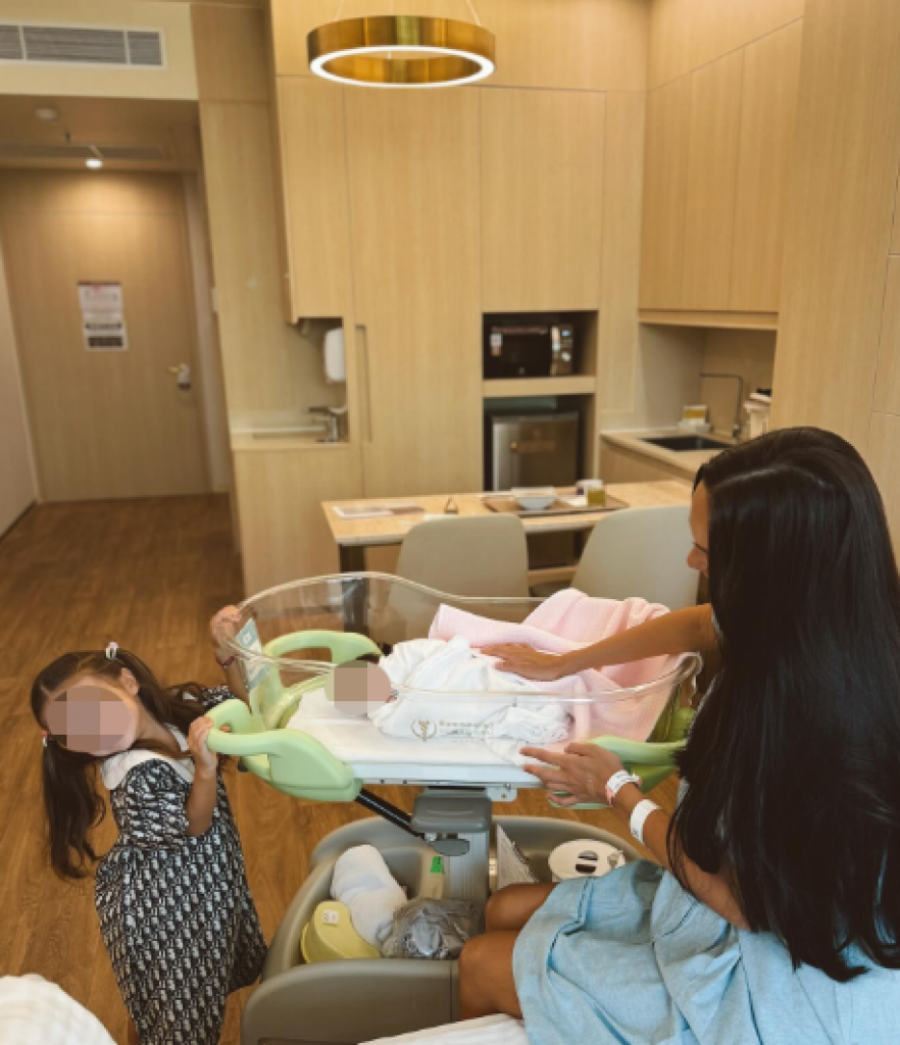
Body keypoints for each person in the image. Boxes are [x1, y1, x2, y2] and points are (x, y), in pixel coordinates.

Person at [461, 427, 900, 1044]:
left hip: (779, 975)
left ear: (770, 569)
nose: (692, 563)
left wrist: (619, 793)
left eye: (707, 551)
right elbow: (699, 626)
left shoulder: (820, 720)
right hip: (737, 899)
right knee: (503, 908)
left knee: (479, 962)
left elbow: (740, 903)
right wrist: (565, 663)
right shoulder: (814, 619)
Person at [30, 607, 266, 1045]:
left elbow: (242, 708)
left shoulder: (175, 710)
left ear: (127, 682)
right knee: (178, 1014)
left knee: (170, 1005)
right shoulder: (134, 775)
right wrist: (204, 769)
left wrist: (227, 655)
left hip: (199, 888)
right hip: (166, 914)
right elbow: (193, 825)